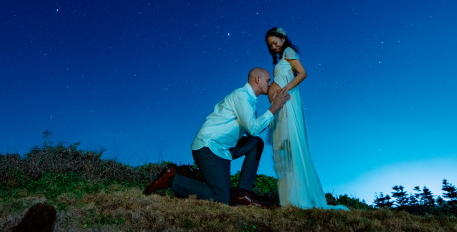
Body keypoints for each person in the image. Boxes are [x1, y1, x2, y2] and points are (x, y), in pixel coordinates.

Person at [144, 67, 290, 206]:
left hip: (224, 149)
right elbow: (253, 128)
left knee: (255, 143)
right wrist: (274, 107)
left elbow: (252, 130)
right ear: (258, 79)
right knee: (221, 199)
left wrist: (275, 108)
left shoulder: (250, 101)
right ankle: (172, 179)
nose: (270, 84)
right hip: (209, 147)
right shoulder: (241, 95)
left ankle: (242, 194)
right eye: (268, 80)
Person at [265, 27, 347, 209]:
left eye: (274, 42)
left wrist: (285, 89)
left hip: (287, 103)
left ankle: (297, 197)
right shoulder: (284, 55)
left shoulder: (289, 51)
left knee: (290, 145)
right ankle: (290, 196)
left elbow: (303, 73)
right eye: (270, 45)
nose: (273, 47)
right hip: (282, 105)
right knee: (284, 147)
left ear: (283, 38)